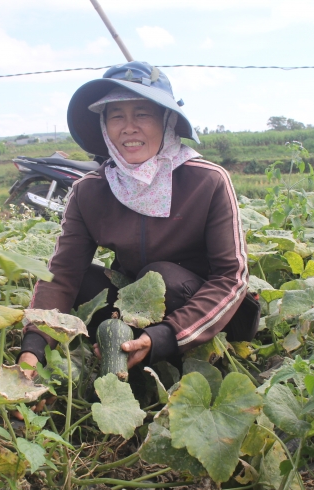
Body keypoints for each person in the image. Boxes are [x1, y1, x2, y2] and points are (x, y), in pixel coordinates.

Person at [18, 61, 259, 376]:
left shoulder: (208, 180)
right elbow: (62, 275)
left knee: (160, 277)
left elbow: (230, 277)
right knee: (80, 280)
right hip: (134, 299)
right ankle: (118, 346)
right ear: (104, 125)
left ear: (167, 120)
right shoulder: (89, 190)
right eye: (116, 115)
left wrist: (163, 337)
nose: (128, 127)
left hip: (200, 309)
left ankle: (163, 351)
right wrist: (32, 351)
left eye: (142, 114)